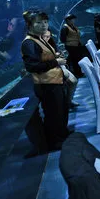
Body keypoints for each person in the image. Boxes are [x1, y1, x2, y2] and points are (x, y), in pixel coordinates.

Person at [21, 10, 70, 155]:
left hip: (55, 81)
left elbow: (42, 58)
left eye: (45, 22)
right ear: (29, 25)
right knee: (53, 114)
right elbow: (32, 66)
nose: (43, 25)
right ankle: (56, 142)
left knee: (60, 111)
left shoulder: (39, 38)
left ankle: (62, 136)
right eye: (39, 22)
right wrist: (56, 61)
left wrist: (53, 56)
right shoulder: (29, 43)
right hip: (47, 84)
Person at [59, 14, 86, 78]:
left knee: (77, 60)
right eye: (72, 19)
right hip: (70, 47)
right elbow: (62, 39)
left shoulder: (73, 26)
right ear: (68, 20)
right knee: (73, 61)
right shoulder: (65, 28)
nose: (74, 20)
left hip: (76, 46)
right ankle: (76, 74)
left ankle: (78, 73)